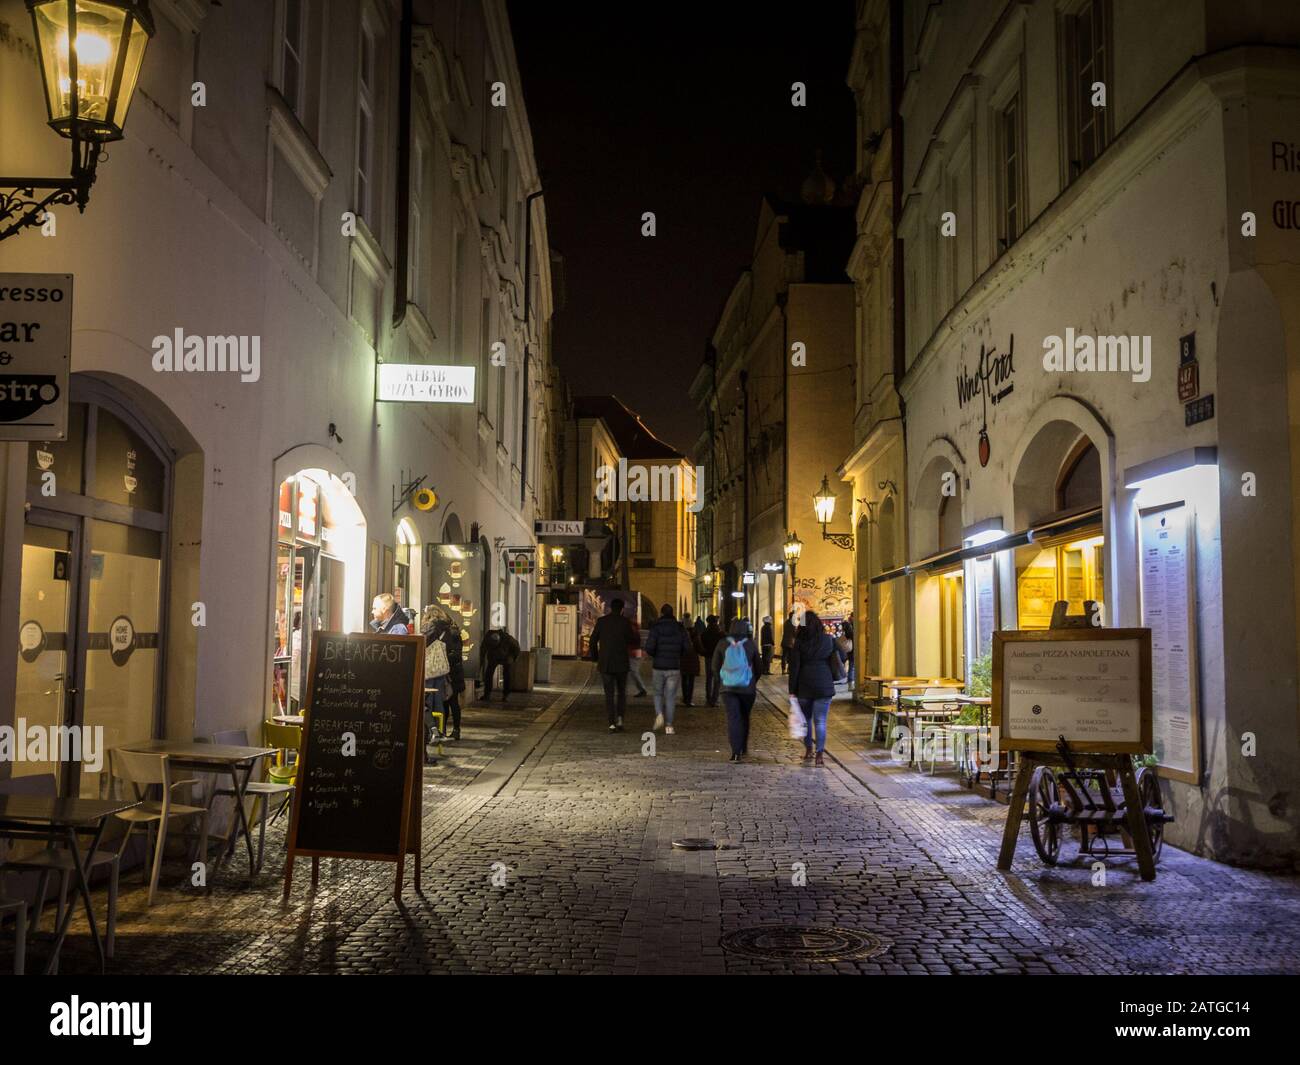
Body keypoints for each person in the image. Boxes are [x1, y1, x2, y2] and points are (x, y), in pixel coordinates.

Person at [788, 610, 839, 767]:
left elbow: (794, 668)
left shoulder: (799, 643)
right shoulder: (828, 640)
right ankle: (820, 755)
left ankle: (809, 749)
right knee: (821, 721)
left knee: (807, 721)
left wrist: (792, 689)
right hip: (824, 684)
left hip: (804, 685)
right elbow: (842, 655)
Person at [712, 617, 760, 762]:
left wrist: (721, 680)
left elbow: (714, 666)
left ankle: (735, 752)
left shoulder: (722, 643)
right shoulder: (751, 644)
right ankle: (743, 746)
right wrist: (752, 681)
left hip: (727, 689)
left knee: (734, 718)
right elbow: (759, 667)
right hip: (747, 689)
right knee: (744, 716)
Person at [590, 598, 637, 730]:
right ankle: (620, 718)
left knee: (609, 694)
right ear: (622, 609)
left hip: (606, 663)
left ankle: (611, 722)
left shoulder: (602, 622)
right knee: (621, 693)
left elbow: (593, 641)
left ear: (610, 608)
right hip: (621, 663)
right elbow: (632, 640)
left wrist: (595, 657)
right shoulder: (625, 622)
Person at [645, 604, 691, 734]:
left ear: (661, 613)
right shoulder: (680, 628)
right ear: (672, 613)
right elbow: (688, 647)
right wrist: (678, 655)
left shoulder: (656, 628)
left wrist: (656, 655)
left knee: (658, 693)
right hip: (674, 667)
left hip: (658, 666)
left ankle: (659, 714)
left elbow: (649, 647)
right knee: (670, 697)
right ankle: (669, 726)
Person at [423, 605, 465, 739]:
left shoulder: (434, 629)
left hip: (445, 671)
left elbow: (455, 653)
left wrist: (444, 659)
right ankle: (444, 730)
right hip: (447, 670)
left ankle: (446, 730)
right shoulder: (451, 630)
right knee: (446, 702)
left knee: (448, 702)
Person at [420, 605, 451, 762]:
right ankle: (440, 731)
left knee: (426, 703)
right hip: (440, 670)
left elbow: (421, 644)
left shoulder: (429, 627)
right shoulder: (447, 627)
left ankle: (431, 733)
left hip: (428, 669)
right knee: (439, 702)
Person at [481, 626, 521, 701]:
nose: (494, 646)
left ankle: (506, 695)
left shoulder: (508, 639)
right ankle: (487, 694)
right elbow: (482, 651)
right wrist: (480, 664)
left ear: (499, 641)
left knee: (507, 674)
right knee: (488, 674)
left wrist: (512, 658)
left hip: (506, 657)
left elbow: (517, 649)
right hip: (493, 657)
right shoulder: (487, 638)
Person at [700, 614, 724, 706]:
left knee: (709, 678)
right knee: (717, 679)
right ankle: (715, 699)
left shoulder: (705, 633)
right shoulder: (720, 633)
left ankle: (708, 698)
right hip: (718, 658)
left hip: (708, 657)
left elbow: (702, 644)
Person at [625, 609, 649, 697]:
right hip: (635, 651)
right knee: (632, 670)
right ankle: (640, 689)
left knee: (633, 670)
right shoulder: (635, 628)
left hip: (634, 652)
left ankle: (642, 689)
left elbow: (633, 641)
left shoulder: (632, 629)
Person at [680, 614, 702, 707]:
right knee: (691, 680)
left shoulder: (680, 633)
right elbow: (699, 646)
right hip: (693, 658)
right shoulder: (694, 634)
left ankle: (685, 698)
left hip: (683, 658)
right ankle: (689, 699)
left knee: (684, 679)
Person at [841, 612, 856, 687]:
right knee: (852, 666)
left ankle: (850, 682)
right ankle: (850, 682)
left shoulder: (848, 624)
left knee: (852, 665)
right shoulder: (850, 625)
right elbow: (852, 636)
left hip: (850, 649)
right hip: (853, 648)